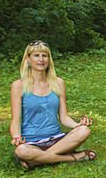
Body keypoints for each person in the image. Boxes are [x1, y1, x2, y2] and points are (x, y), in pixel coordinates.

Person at [11, 41, 96, 169]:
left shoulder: (58, 83)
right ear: (28, 59)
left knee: (84, 131)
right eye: (36, 55)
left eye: (44, 55)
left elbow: (64, 117)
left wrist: (78, 125)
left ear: (49, 59)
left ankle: (36, 160)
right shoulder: (18, 85)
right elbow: (15, 120)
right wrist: (16, 137)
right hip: (32, 142)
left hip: (57, 139)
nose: (41, 59)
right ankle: (71, 157)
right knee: (21, 151)